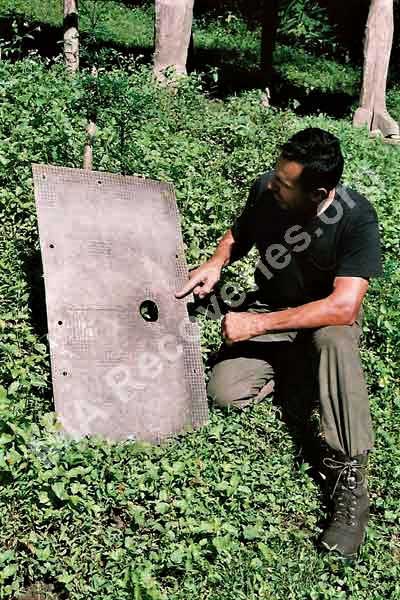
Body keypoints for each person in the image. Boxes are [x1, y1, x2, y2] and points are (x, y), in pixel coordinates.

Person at [175, 128, 383, 559]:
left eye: (285, 183)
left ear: (318, 193)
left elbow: (343, 305)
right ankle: (300, 373)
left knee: (335, 339)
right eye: (276, 174)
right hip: (274, 311)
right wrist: (215, 263)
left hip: (322, 318)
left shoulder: (356, 217)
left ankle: (350, 481)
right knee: (225, 393)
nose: (273, 184)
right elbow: (239, 234)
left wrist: (255, 325)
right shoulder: (267, 190)